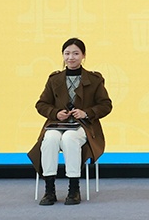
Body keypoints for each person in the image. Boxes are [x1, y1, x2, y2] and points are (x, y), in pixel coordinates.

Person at [28, 37, 112, 206]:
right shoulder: (54, 79)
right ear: (63, 55)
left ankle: (74, 188)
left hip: (84, 126)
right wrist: (55, 113)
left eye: (75, 53)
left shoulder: (94, 80)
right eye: (67, 54)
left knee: (69, 138)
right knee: (50, 139)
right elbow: (41, 104)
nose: (71, 57)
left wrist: (86, 113)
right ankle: (49, 190)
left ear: (83, 55)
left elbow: (106, 105)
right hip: (57, 124)